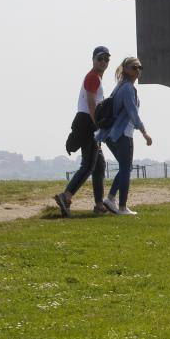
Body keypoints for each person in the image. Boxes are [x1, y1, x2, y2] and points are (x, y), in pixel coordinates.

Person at [54, 46, 111, 217]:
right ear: (93, 60)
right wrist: (97, 125)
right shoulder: (93, 77)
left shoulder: (96, 77)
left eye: (106, 59)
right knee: (88, 164)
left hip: (87, 120)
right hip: (88, 121)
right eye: (100, 58)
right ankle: (66, 196)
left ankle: (99, 204)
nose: (103, 62)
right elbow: (91, 104)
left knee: (99, 165)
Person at [95, 57, 153, 215]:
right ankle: (121, 207)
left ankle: (110, 198)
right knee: (126, 169)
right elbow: (133, 113)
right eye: (134, 67)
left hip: (111, 135)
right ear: (126, 69)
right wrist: (145, 133)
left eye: (140, 67)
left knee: (125, 167)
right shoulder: (127, 88)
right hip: (122, 134)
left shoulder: (120, 86)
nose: (138, 70)